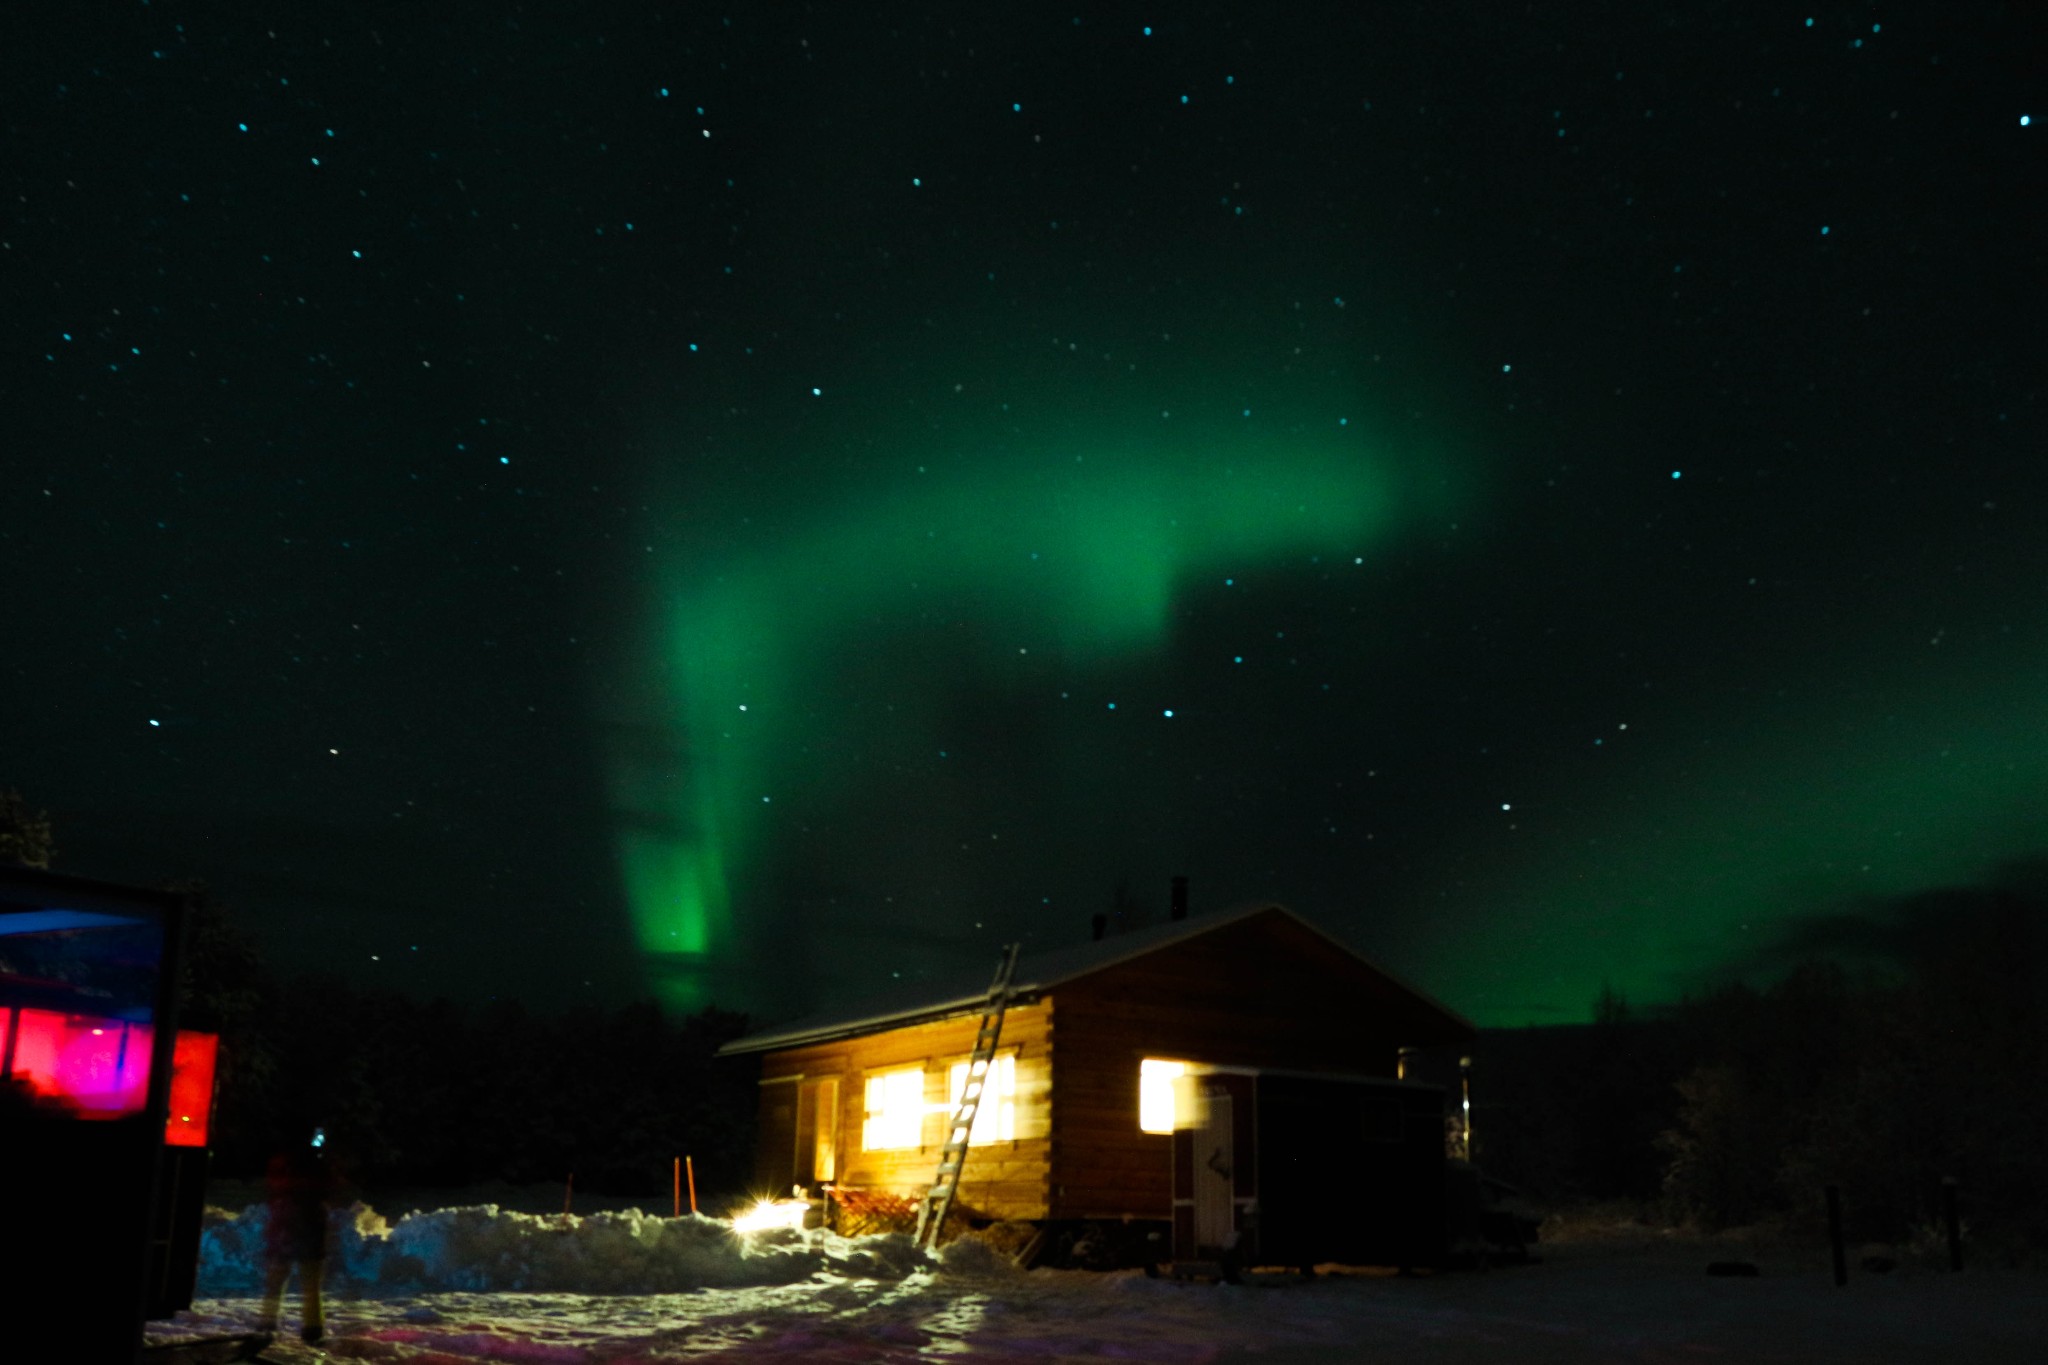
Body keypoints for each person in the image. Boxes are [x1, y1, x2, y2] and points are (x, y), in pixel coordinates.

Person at [257, 1128, 340, 1343]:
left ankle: (267, 1325)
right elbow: (329, 1190)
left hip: (285, 1228)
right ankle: (313, 1329)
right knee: (311, 1286)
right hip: (310, 1230)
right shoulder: (318, 1165)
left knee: (276, 1281)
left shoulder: (282, 1163)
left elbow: (273, 1189)